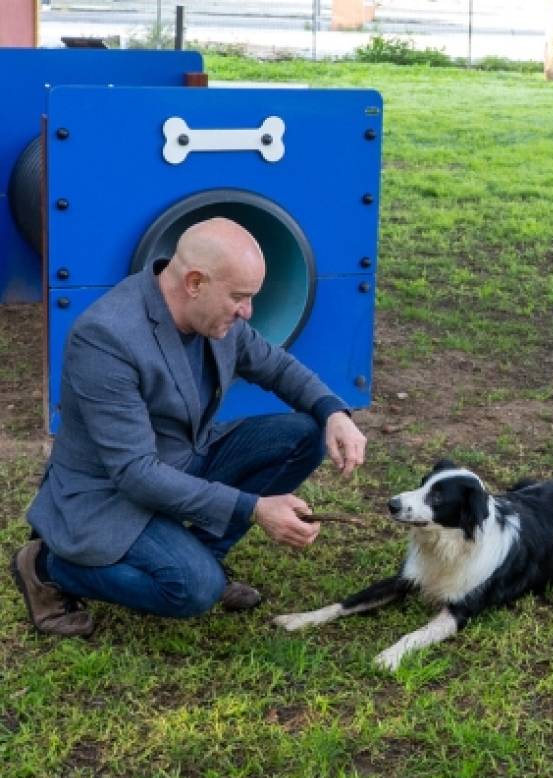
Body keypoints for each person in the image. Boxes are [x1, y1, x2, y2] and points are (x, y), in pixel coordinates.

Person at [11, 217, 367, 637]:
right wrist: (253, 507)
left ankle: (205, 553)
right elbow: (135, 473)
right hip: (111, 493)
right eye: (239, 298)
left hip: (181, 460)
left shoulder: (214, 316)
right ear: (195, 282)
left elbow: (277, 368)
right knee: (193, 590)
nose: (247, 311)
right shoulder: (106, 337)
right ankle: (49, 566)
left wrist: (332, 412)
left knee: (304, 435)